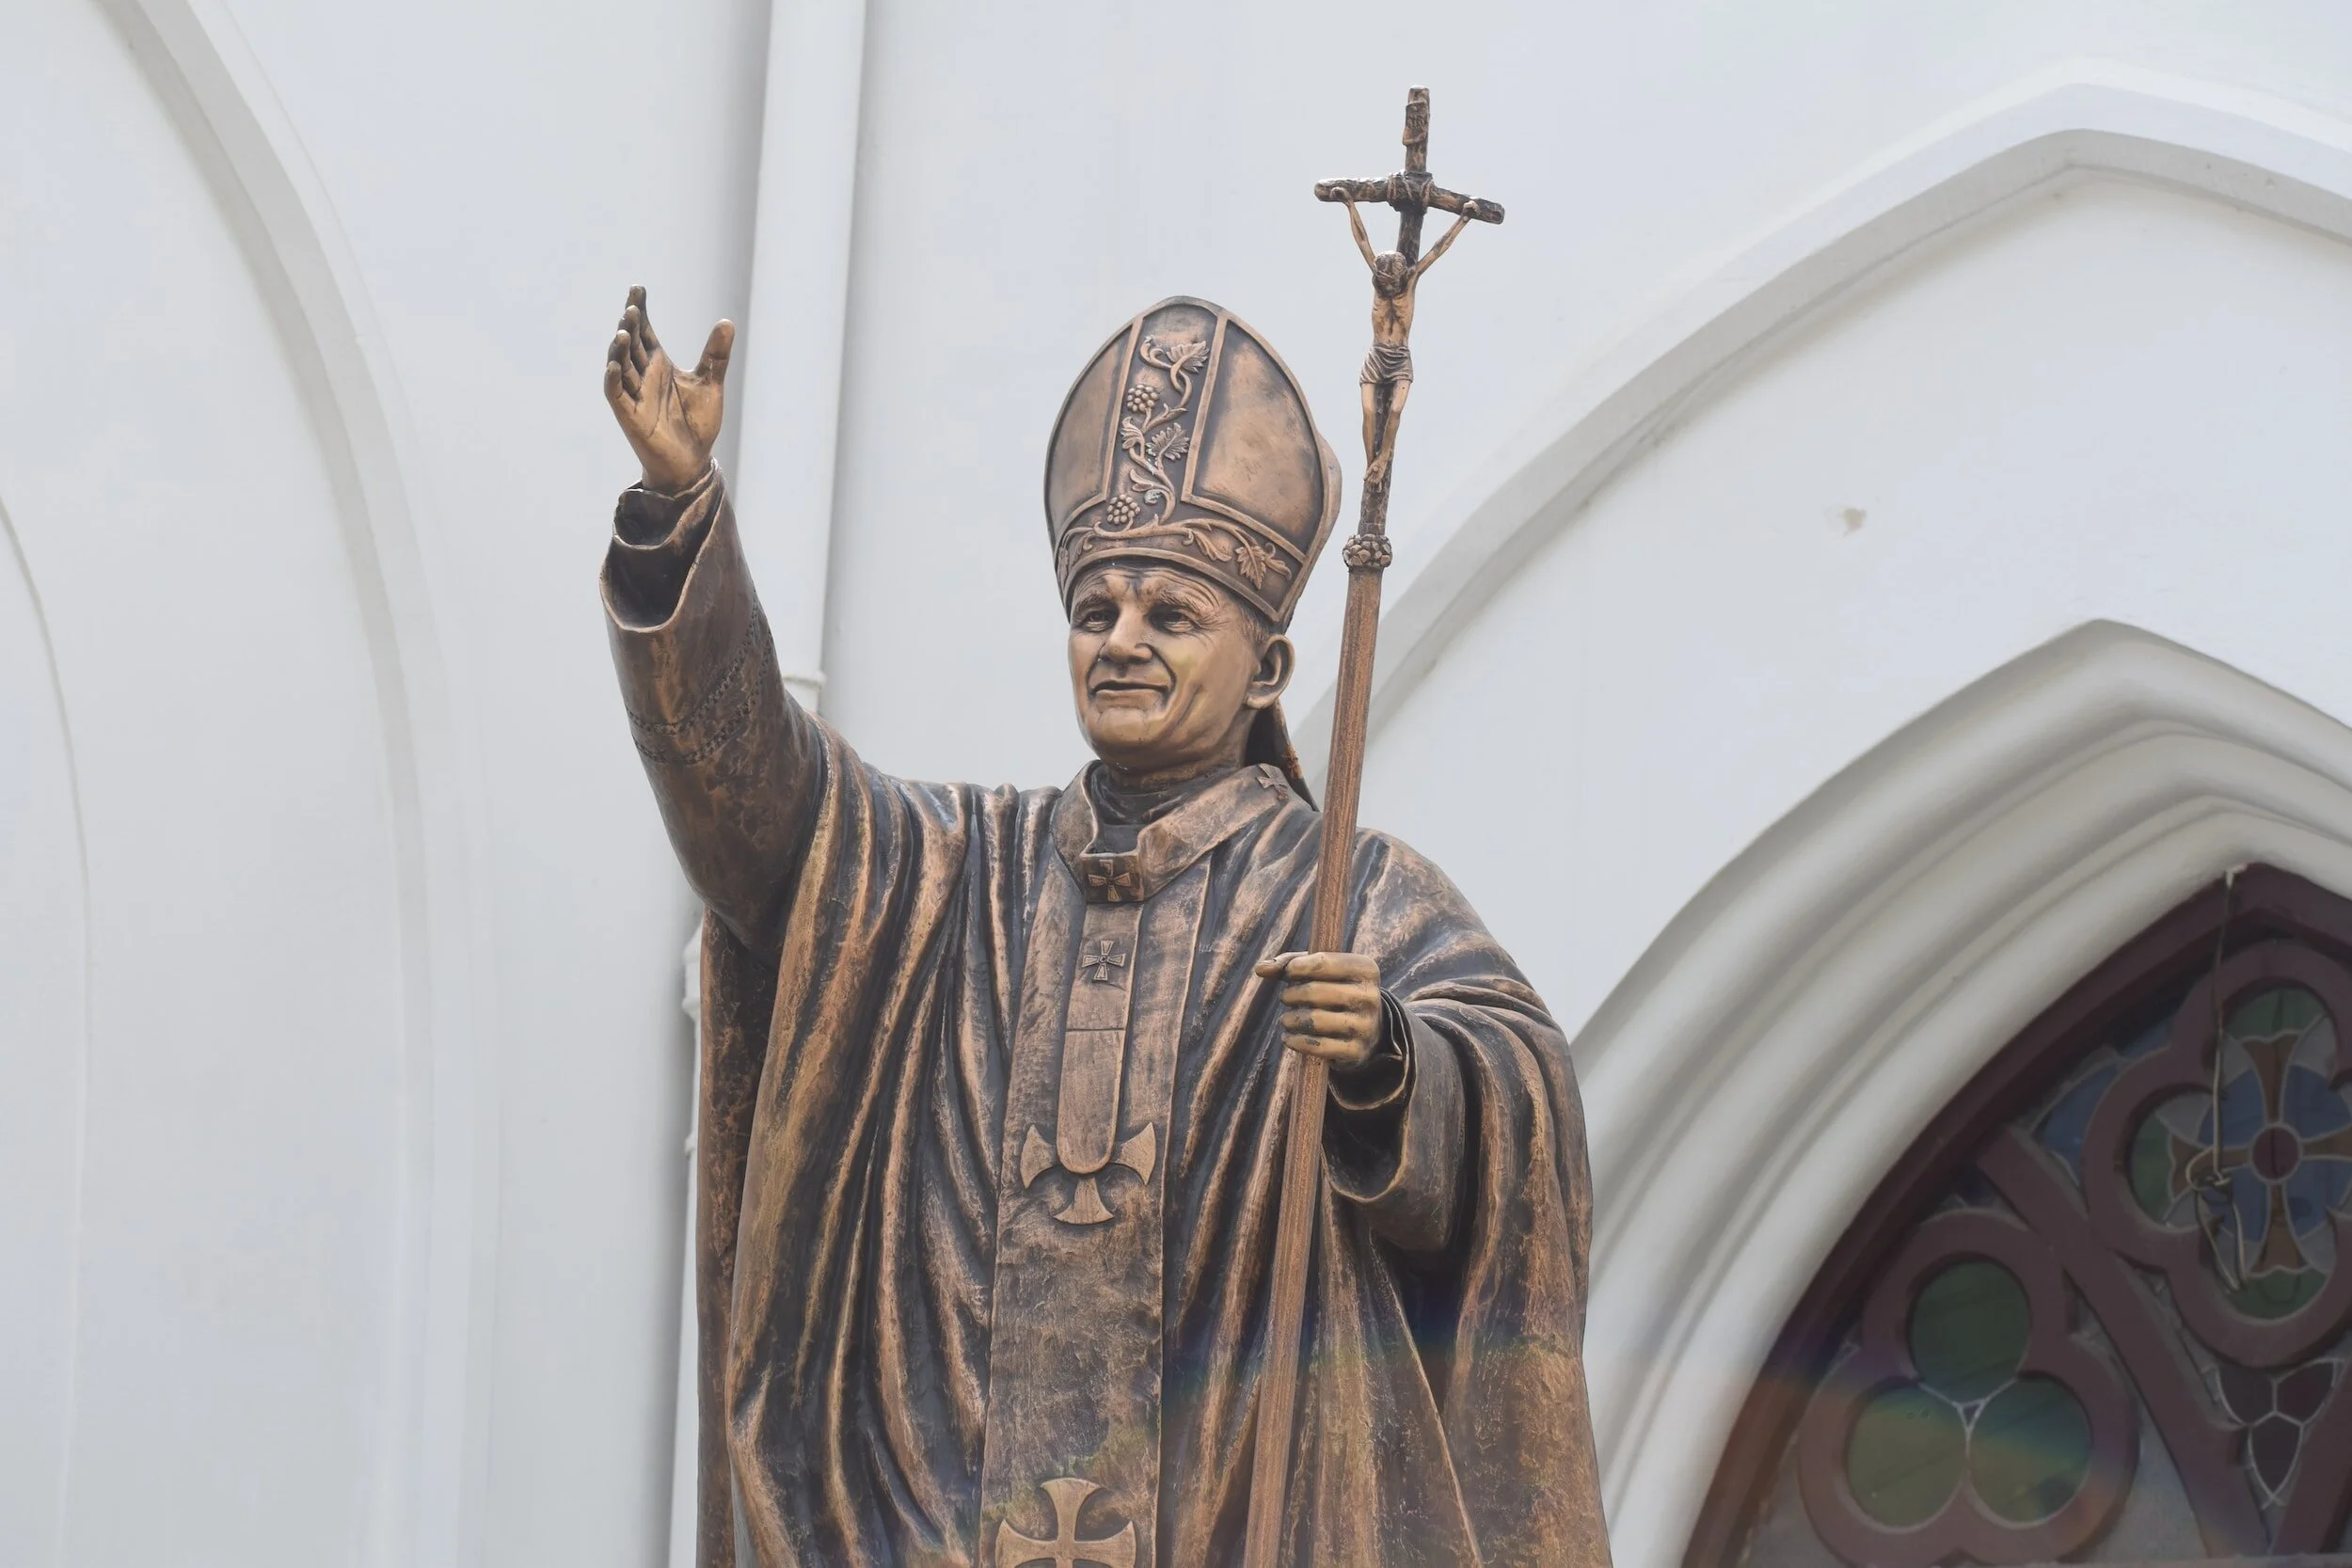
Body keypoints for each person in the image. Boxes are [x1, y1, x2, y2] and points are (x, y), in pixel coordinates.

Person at [601, 287, 1610, 1568]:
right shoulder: (951, 870)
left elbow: (1520, 1111)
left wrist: (1389, 1062)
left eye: (1171, 616)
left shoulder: (1353, 898)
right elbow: (758, 813)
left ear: (1267, 668)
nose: (1122, 642)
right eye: (1097, 612)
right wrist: (681, 512)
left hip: (1239, 1514)